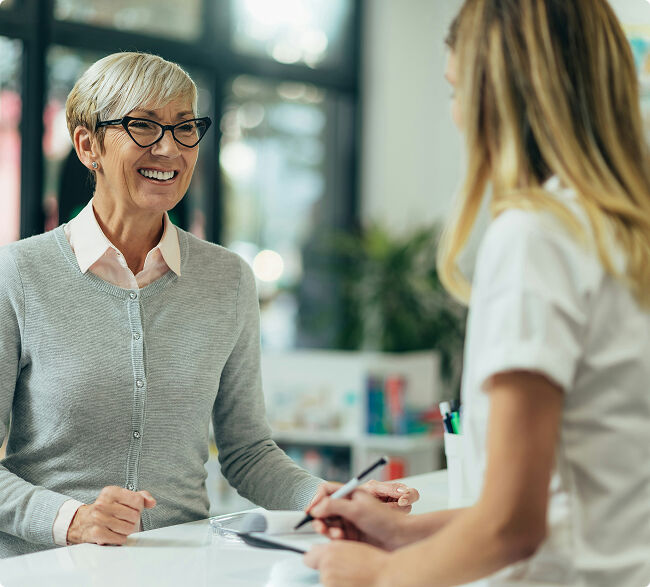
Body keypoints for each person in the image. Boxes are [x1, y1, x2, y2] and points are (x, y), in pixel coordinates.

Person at [0, 52, 418, 558]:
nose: (170, 149)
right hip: (49, 570)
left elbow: (248, 452)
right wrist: (75, 520)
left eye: (184, 128)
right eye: (144, 126)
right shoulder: (18, 274)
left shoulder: (228, 279)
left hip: (183, 566)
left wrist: (329, 499)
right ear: (89, 145)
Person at [304, 1, 650, 585]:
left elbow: (514, 527)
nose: (457, 115)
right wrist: (406, 534)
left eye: (456, 90)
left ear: (500, 97)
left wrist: (376, 576)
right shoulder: (620, 233)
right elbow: (571, 500)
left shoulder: (537, 236)